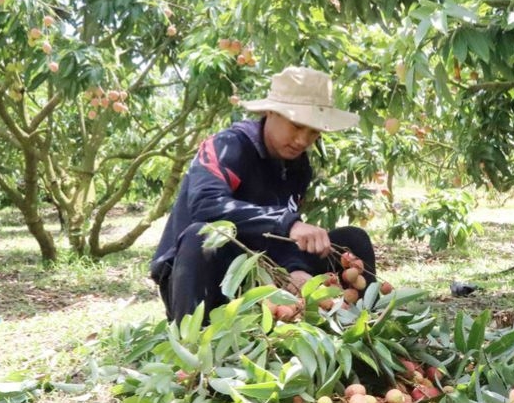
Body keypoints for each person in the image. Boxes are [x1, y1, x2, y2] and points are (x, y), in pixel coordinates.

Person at [150, 66, 376, 323]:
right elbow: (206, 204)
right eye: (296, 125)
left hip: (263, 275)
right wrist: (287, 222)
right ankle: (194, 340)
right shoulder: (228, 146)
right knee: (203, 235)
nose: (303, 140)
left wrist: (296, 270)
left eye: (314, 131)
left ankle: (363, 328)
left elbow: (278, 238)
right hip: (201, 278)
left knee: (352, 241)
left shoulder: (298, 167)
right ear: (270, 112)